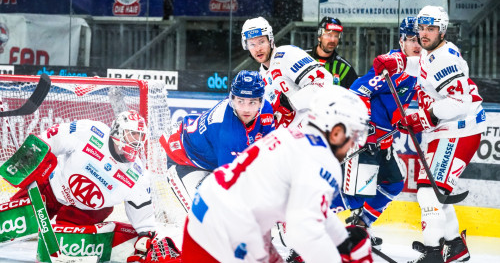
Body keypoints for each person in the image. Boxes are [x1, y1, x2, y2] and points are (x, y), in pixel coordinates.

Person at [181, 85, 373, 263]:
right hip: (227, 233)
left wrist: (342, 239)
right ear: (337, 133)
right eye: (354, 136)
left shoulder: (288, 136)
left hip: (207, 211)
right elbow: (303, 232)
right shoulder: (322, 159)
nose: (351, 146)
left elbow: (313, 209)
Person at [372, 6, 486, 263]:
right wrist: (398, 62)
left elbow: (459, 101)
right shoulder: (431, 52)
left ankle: (434, 253)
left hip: (459, 130)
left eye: (430, 29)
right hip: (445, 131)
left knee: (428, 193)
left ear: (442, 30)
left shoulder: (445, 57)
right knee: (437, 192)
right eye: (421, 29)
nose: (424, 34)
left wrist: (419, 118)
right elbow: (420, 65)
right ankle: (455, 247)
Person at [9, 110, 181, 262]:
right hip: (52, 189)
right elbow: (53, 137)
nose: (137, 142)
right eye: (132, 134)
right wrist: (29, 159)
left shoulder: (137, 174)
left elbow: (142, 215)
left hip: (85, 212)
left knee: (62, 244)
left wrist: (145, 234)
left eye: (140, 136)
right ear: (117, 132)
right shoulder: (91, 132)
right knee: (9, 220)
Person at [329, 16, 421, 249]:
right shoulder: (395, 63)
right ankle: (310, 219)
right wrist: (367, 123)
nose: (416, 44)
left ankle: (360, 226)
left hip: (384, 142)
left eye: (419, 39)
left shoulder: (419, 69)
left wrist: (399, 121)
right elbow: (358, 89)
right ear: (401, 41)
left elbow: (395, 103)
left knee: (393, 185)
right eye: (410, 39)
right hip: (367, 140)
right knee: (359, 195)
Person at [159, 70, 274, 208]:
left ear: (261, 101)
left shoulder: (266, 109)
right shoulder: (228, 131)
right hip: (182, 157)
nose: (246, 109)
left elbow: (268, 153)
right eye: (241, 101)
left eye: (252, 102)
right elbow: (230, 186)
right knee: (209, 215)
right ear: (232, 99)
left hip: (210, 158)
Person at [241, 16, 334, 128]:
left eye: (261, 42)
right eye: (252, 44)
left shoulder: (287, 55)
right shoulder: (262, 74)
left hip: (316, 131)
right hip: (292, 139)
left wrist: (290, 103)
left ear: (270, 40)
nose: (257, 49)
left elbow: (324, 82)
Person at [306, 16, 358, 89]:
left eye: (336, 36)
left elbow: (354, 96)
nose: (333, 40)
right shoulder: (302, 56)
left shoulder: (344, 68)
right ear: (319, 36)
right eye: (328, 35)